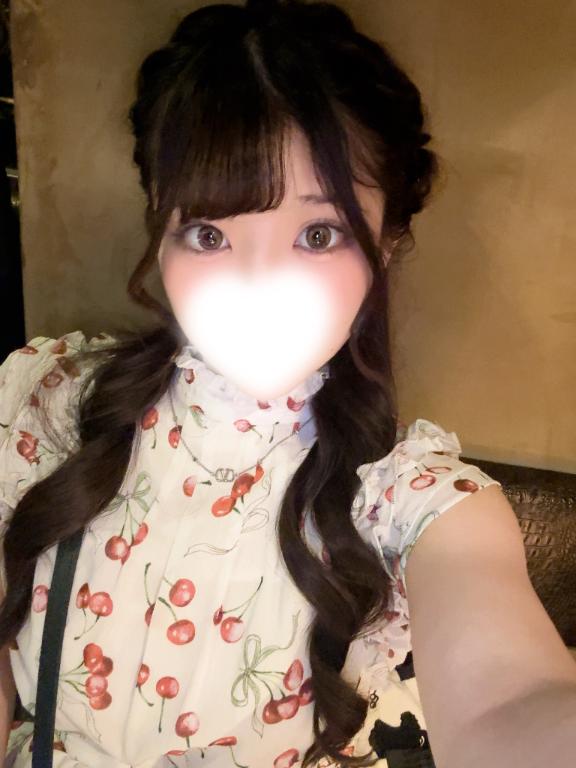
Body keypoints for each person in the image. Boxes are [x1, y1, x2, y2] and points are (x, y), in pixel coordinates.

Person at [3, 2, 576, 767]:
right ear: (159, 228)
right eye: (208, 232)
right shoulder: (47, 402)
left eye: (318, 233)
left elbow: (508, 701)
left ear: (386, 242)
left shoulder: (412, 502)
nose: (256, 286)